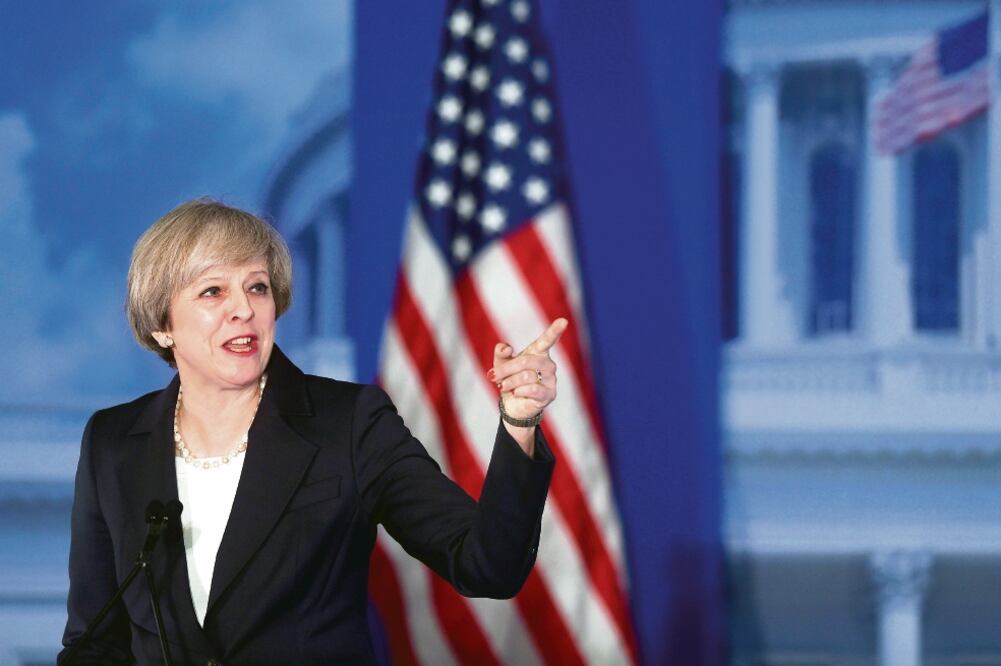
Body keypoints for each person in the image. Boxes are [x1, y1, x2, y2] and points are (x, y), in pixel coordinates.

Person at [59, 199, 566, 664]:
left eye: (257, 287)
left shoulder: (348, 423)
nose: (244, 308)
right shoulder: (112, 443)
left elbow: (486, 564)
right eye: (213, 290)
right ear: (161, 325)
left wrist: (519, 422)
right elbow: (94, 641)